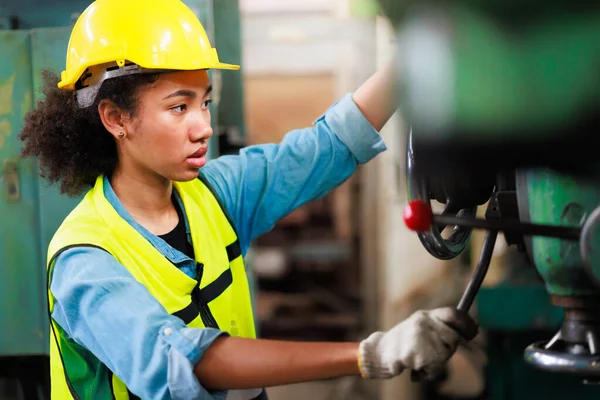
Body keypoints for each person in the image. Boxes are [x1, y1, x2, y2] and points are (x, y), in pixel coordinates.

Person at [19, 0, 478, 399]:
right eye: (179, 107)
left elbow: (324, 147)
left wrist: (416, 53)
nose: (201, 126)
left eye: (204, 102)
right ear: (116, 118)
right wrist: (368, 353)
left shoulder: (214, 194)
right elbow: (182, 364)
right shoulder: (85, 258)